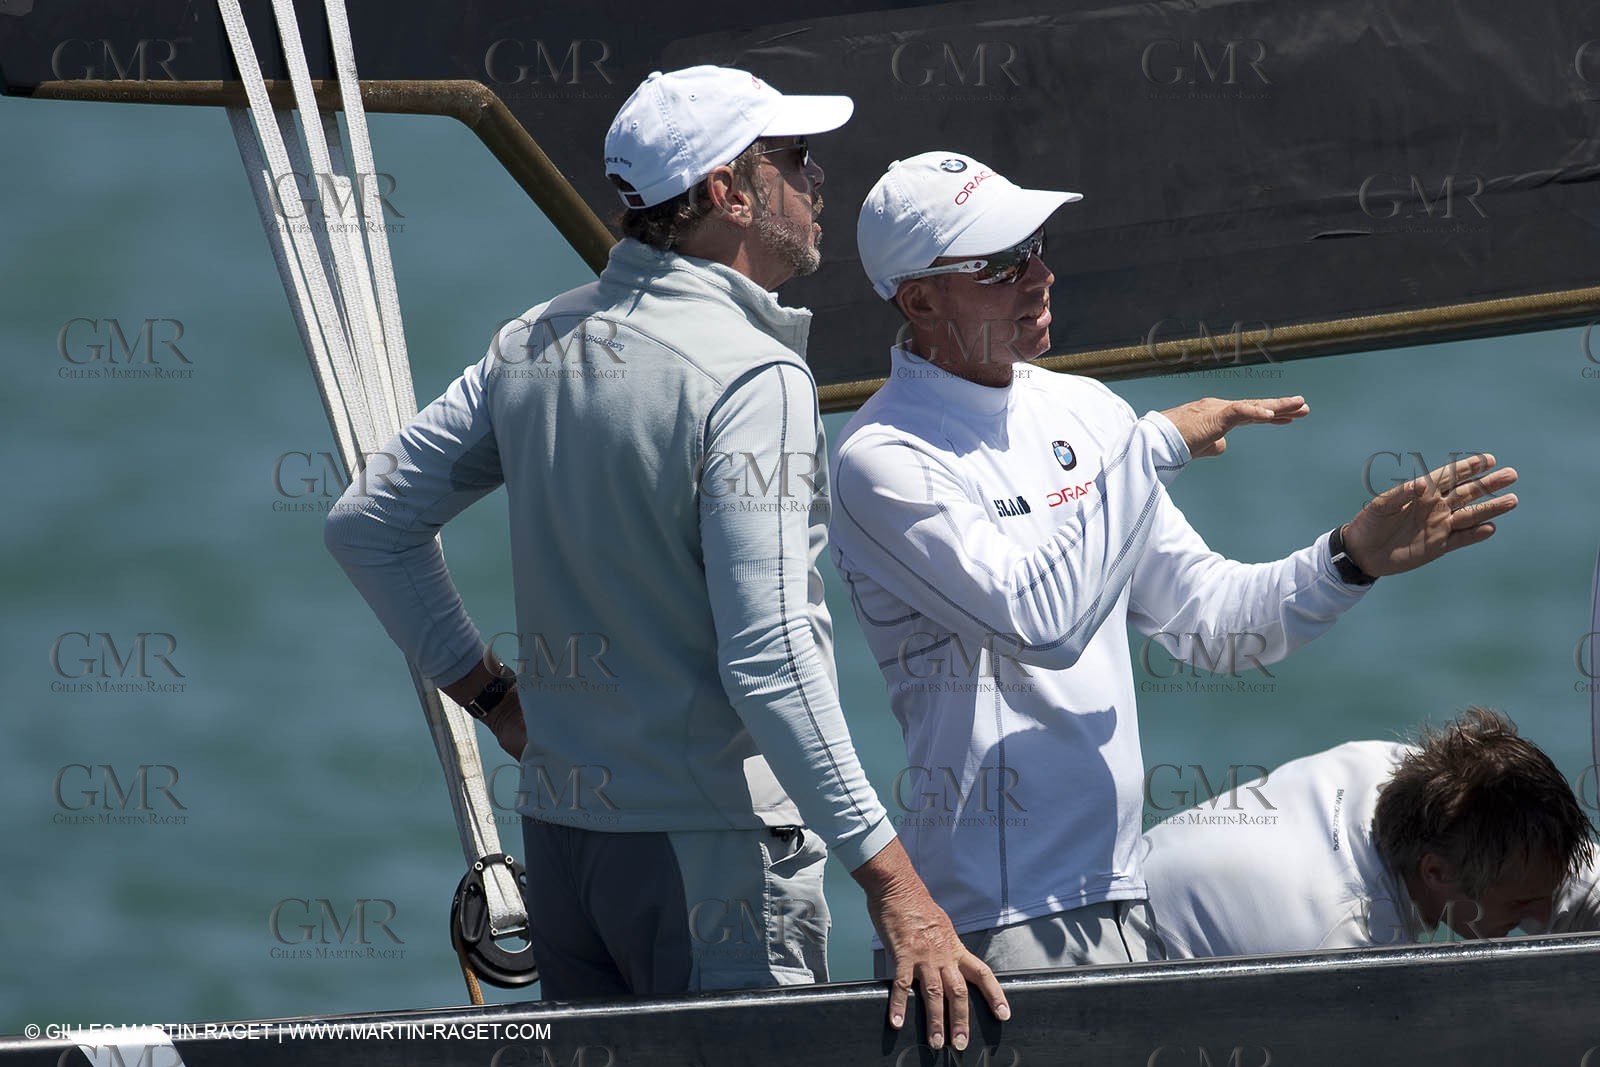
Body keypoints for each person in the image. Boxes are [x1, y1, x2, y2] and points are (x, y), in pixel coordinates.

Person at [325, 70, 1005, 1049]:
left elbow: (367, 523)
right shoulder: (754, 374)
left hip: (567, 860)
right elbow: (771, 660)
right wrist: (897, 885)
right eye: (796, 160)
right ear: (731, 193)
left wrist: (496, 699)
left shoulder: (531, 342)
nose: (818, 181)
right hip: (714, 864)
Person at [828, 150, 1521, 975]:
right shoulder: (881, 457)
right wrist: (1154, 445)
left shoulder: (1082, 407)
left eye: (1039, 243)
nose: (1041, 273)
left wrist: (1347, 559)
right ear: (920, 299)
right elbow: (1037, 621)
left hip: (1122, 897)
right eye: (1005, 261)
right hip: (990, 923)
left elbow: (1211, 622)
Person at [1139, 707, 1596, 955]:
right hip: (1100, 973)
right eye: (1519, 903)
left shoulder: (1411, 772)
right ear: (1435, 872)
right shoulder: (1346, 943)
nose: (1540, 918)